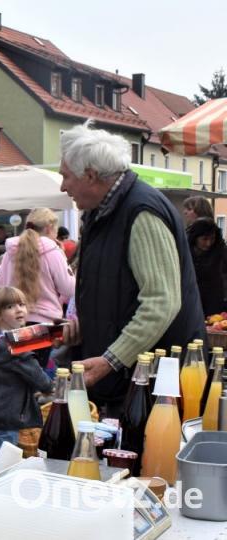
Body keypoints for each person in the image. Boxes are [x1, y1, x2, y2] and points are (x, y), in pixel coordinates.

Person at [58, 122, 205, 416]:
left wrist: (111, 360)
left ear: (90, 175)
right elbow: (118, 292)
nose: (63, 186)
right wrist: (87, 326)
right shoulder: (105, 212)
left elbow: (161, 303)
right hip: (129, 379)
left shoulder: (141, 212)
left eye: (66, 176)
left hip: (152, 385)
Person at [0, 287, 53, 478]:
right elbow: (39, 378)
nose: (19, 310)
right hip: (10, 415)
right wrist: (50, 387)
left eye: (21, 304)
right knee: (3, 466)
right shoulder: (17, 346)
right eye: (10, 306)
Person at [0, 208, 74, 372]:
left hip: (12, 322)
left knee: (16, 379)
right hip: (43, 326)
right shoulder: (53, 251)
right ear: (50, 228)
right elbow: (69, 288)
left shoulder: (10, 251)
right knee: (35, 380)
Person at [187, 218, 227, 317]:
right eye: (204, 239)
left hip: (215, 301)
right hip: (191, 301)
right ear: (195, 237)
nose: (208, 243)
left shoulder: (221, 251)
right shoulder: (185, 253)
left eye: (212, 238)